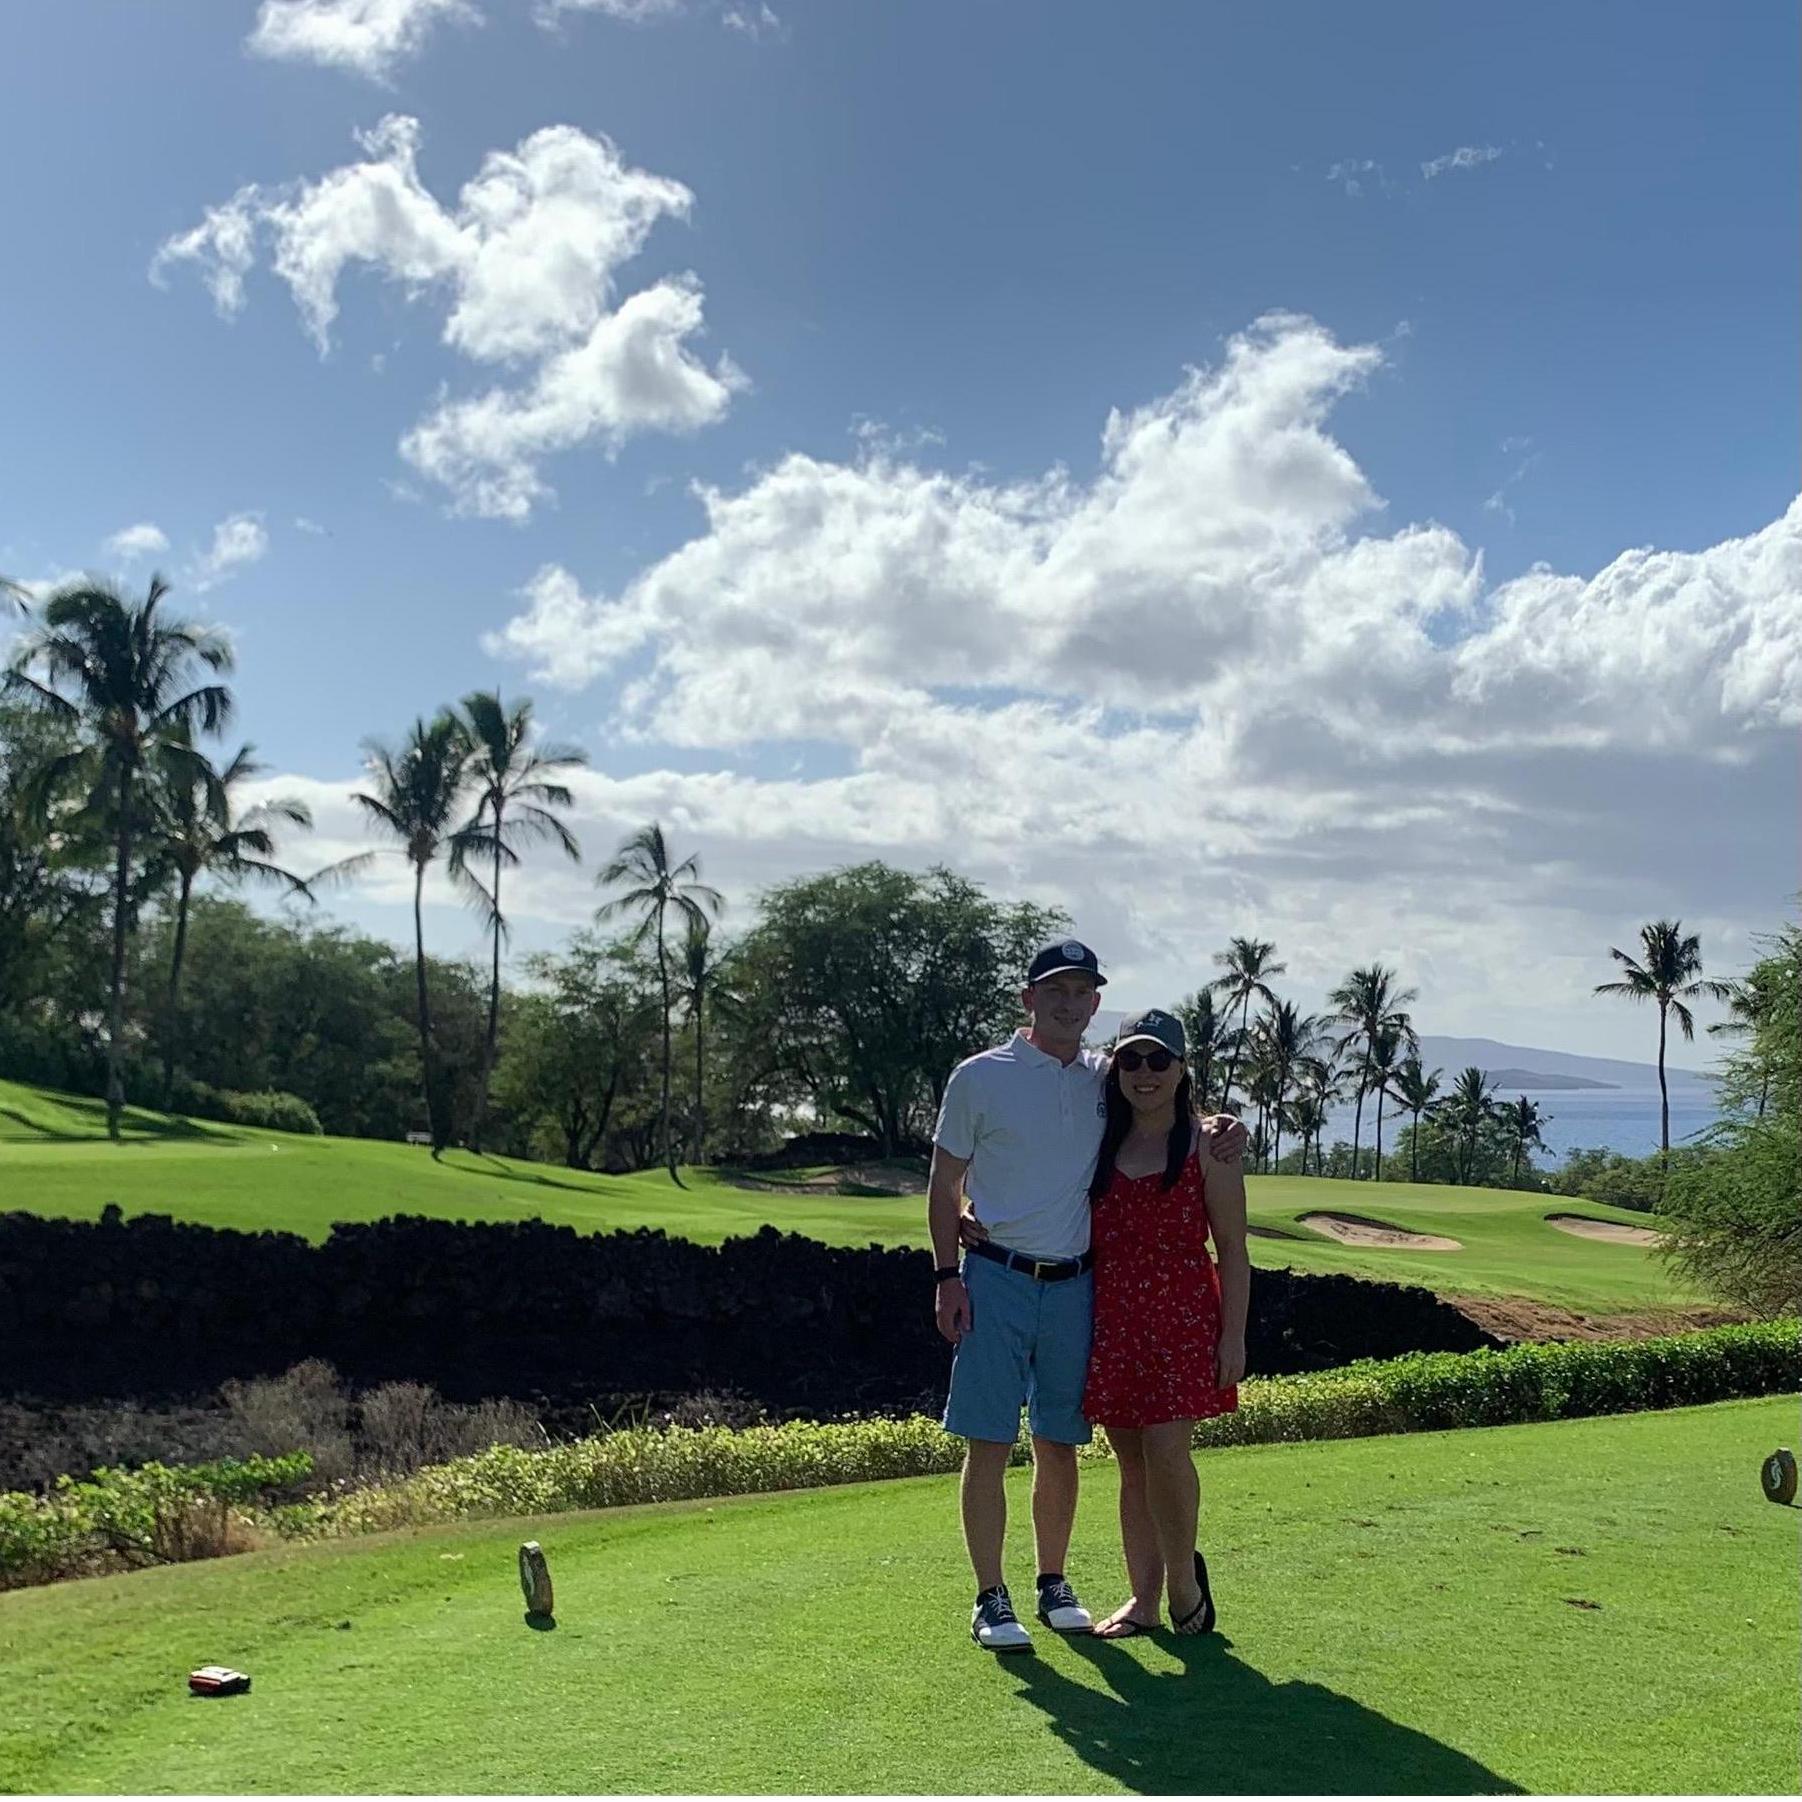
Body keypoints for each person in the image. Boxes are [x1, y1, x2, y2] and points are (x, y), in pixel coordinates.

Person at [927, 940, 1247, 1654]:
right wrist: (946, 1273)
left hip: (1079, 1289)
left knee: (1061, 1442)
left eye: (1082, 992)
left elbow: (1178, 1105)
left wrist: (1231, 1126)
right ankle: (990, 1596)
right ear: (1029, 998)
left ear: (1095, 1003)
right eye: (1055, 990)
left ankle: (1054, 1583)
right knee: (989, 1440)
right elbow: (944, 1180)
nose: (1069, 1003)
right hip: (999, 1279)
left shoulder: (1103, 1078)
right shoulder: (982, 1076)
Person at [1081, 1006, 1248, 1639]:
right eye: (1131, 1060)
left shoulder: (1211, 1144)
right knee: (1130, 1461)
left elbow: (1233, 1249)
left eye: (1159, 1060)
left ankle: (1183, 1581)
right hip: (1114, 1317)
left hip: (1182, 1316)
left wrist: (1233, 1335)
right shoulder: (1099, 1139)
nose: (1144, 1073)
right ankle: (1143, 1599)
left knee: (1168, 1450)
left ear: (1182, 1069)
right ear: (1116, 1067)